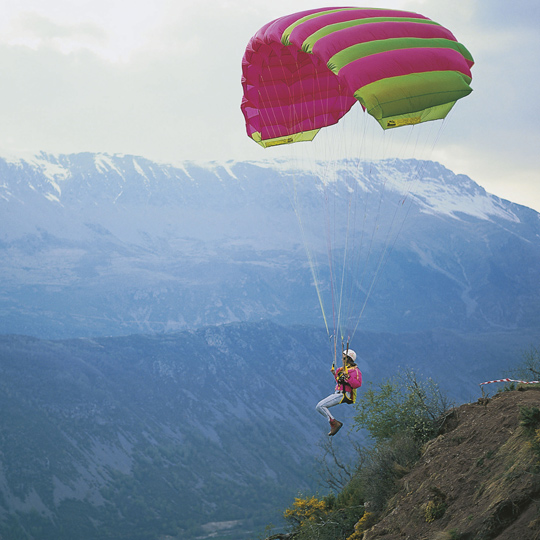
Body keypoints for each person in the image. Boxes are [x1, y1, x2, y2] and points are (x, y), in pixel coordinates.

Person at [316, 349, 362, 436]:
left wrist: (348, 376)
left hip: (344, 394)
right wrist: (334, 374)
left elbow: (357, 384)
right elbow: (339, 382)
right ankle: (334, 423)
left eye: (344, 358)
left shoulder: (355, 371)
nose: (342, 360)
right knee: (319, 406)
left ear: (349, 359)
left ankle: (334, 423)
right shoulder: (341, 370)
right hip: (338, 392)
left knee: (320, 406)